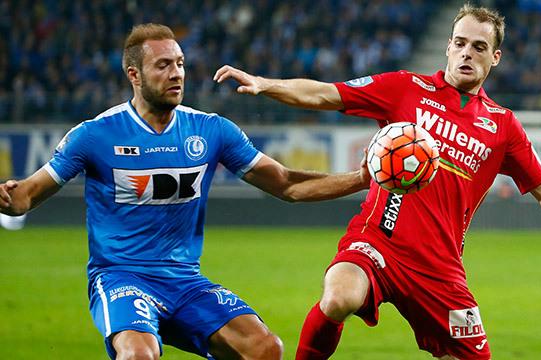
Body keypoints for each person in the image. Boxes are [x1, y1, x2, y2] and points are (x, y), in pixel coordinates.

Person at [214, 5, 541, 359]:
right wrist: (267, 84)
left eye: (479, 47)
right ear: (448, 45)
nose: (467, 53)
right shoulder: (403, 88)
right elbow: (325, 94)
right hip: (378, 238)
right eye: (460, 42)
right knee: (339, 296)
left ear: (495, 57)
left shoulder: (503, 127)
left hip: (440, 267)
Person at [0, 23, 371, 360]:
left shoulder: (211, 131)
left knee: (265, 349)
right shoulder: (95, 135)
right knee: (138, 356)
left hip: (184, 281)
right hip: (121, 277)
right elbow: (25, 197)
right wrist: (10, 198)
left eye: (179, 63)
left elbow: (287, 184)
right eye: (162, 65)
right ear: (134, 74)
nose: (176, 73)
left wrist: (361, 178)